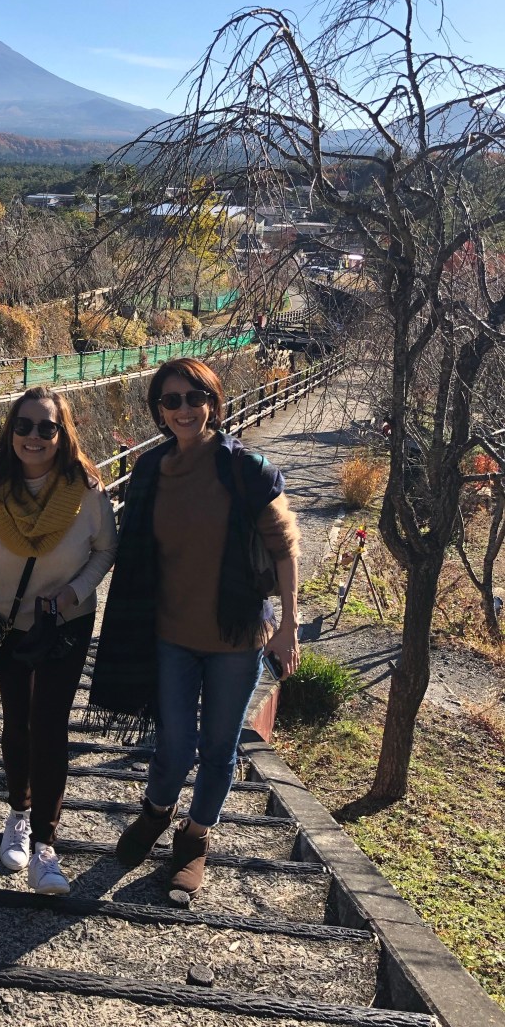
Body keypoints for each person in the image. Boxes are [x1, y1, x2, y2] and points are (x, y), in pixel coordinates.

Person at [87, 357, 300, 897]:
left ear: (213, 402)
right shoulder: (151, 470)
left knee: (219, 747)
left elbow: (284, 548)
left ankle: (195, 837)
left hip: (236, 637)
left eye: (194, 397)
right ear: (158, 410)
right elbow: (126, 544)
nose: (184, 409)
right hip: (170, 635)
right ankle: (157, 812)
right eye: (171, 400)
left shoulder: (244, 469)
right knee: (175, 744)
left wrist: (289, 625)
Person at [0, 387, 117, 895]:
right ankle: (18, 812)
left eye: (46, 427)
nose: (33, 436)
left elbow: (106, 550)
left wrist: (73, 591)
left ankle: (45, 846)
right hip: (7, 622)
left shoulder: (86, 490)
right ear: (10, 432)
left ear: (62, 434)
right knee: (17, 722)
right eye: (24, 426)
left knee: (49, 726)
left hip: (65, 623)